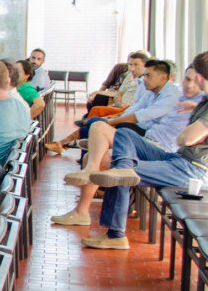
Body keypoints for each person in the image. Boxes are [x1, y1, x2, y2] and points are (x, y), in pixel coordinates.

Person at [75, 51, 208, 250]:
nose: (188, 84)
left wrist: (185, 133)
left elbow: (187, 138)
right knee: (125, 135)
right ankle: (122, 167)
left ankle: (116, 235)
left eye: (191, 78)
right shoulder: (203, 100)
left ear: (198, 76)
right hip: (178, 159)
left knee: (119, 170)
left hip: (192, 170)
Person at [52, 65, 203, 227]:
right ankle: (84, 202)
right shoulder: (180, 96)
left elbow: (184, 137)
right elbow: (142, 112)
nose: (190, 84)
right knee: (98, 127)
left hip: (164, 151)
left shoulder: (192, 101)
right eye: (187, 79)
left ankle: (101, 223)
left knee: (107, 158)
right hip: (151, 143)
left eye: (196, 81)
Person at [47, 59, 180, 154]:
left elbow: (140, 116)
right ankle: (87, 148)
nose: (144, 78)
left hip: (150, 135)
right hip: (131, 117)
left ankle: (85, 145)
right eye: (144, 75)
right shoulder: (149, 90)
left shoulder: (171, 95)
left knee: (97, 123)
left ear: (164, 77)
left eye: (148, 75)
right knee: (94, 121)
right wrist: (115, 116)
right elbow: (135, 107)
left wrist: (110, 121)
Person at [82, 51, 148, 120]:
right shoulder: (128, 75)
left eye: (136, 65)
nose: (131, 69)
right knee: (95, 110)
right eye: (130, 65)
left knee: (96, 112)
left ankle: (88, 123)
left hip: (130, 109)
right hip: (119, 106)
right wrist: (119, 104)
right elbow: (118, 93)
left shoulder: (146, 81)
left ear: (145, 65)